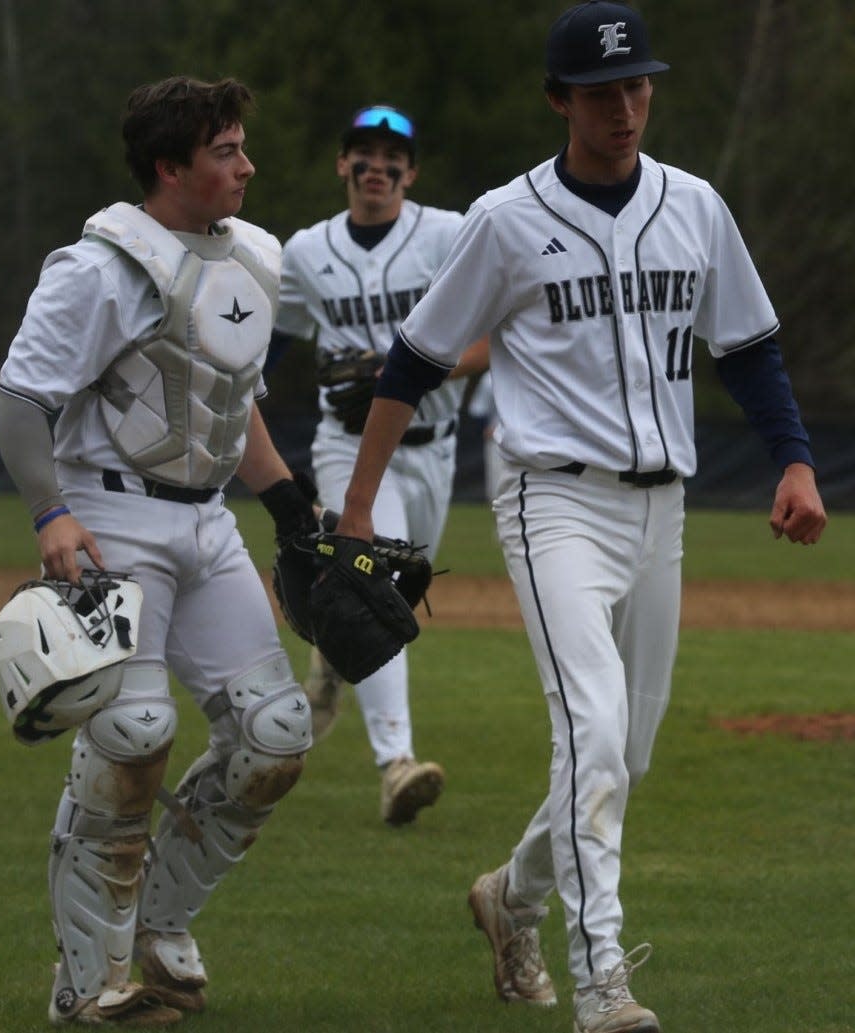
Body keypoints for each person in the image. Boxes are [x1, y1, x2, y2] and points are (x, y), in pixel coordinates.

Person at [330, 3, 827, 1031]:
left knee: (626, 756)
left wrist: (795, 461)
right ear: (560, 100)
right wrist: (361, 498)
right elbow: (416, 359)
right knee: (592, 733)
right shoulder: (505, 220)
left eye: (638, 85)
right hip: (549, 498)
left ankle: (509, 899)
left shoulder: (693, 205)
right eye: (602, 92)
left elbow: (748, 347)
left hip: (664, 509)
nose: (625, 106)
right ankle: (604, 982)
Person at [0, 76, 318, 1025]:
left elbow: (225, 397)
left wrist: (290, 504)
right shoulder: (100, 267)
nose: (247, 165)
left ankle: (162, 926)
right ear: (171, 167)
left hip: (208, 520)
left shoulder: (254, 257)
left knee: (275, 737)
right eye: (225, 150)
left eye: (242, 145)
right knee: (131, 737)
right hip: (109, 512)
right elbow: (21, 400)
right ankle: (86, 985)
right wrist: (51, 514)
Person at [267, 104, 488, 825]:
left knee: (370, 595)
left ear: (411, 172)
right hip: (346, 444)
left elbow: (501, 334)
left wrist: (411, 372)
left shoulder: (449, 235)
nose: (376, 166)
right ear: (342, 165)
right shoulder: (306, 251)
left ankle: (331, 659)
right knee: (377, 583)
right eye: (362, 152)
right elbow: (274, 340)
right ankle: (395, 762)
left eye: (392, 155)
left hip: (432, 451)